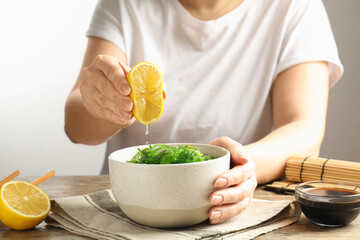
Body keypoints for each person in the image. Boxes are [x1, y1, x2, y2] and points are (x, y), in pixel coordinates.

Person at [64, 0, 343, 224]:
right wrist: (103, 103)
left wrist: (238, 163)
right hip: (132, 207)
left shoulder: (296, 6)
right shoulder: (124, 5)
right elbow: (76, 128)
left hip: (232, 203)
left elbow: (305, 129)